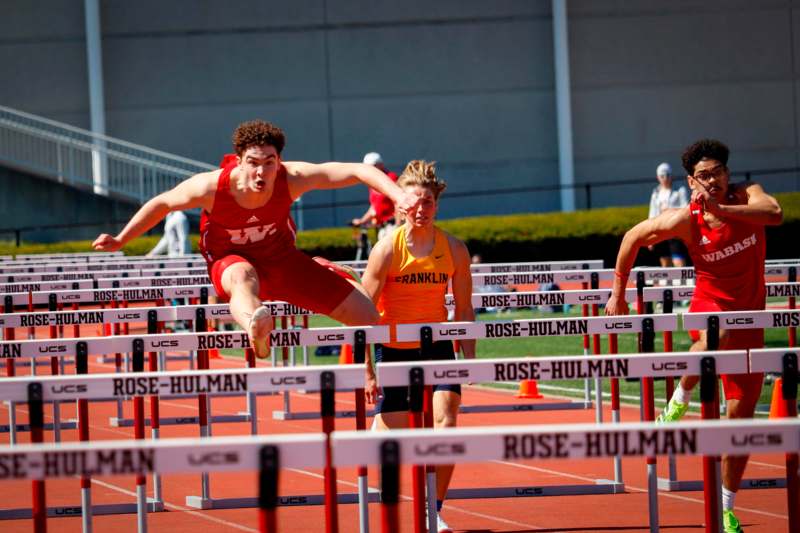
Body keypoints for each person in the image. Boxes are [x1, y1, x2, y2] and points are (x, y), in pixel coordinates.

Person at [93, 120, 419, 358]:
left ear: (279, 162)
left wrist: (398, 195)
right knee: (242, 276)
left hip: (282, 261)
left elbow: (356, 171)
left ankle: (324, 278)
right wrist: (122, 238)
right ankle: (255, 326)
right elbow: (162, 203)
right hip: (230, 261)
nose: (261, 173)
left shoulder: (291, 179)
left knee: (368, 317)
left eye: (269, 163)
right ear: (238, 161)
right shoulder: (211, 187)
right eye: (253, 163)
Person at [605, 139, 782, 533]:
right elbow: (634, 236)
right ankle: (679, 398)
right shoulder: (686, 218)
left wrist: (725, 209)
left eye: (717, 172)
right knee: (710, 339)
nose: (712, 181)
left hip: (750, 319)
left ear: (727, 173)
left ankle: (726, 507)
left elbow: (775, 213)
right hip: (709, 307)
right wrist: (618, 291)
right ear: (692, 181)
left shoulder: (747, 195)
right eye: (703, 176)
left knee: (740, 423)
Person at [361, 160, 475, 533]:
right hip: (394, 348)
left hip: (438, 346)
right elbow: (363, 314)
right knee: (394, 441)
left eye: (427, 202)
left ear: (436, 205)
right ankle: (379, 426)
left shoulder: (453, 249)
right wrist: (368, 372)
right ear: (399, 205)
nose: (420, 210)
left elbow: (464, 307)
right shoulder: (386, 250)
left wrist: (469, 357)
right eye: (413, 202)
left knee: (446, 423)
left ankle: (433, 510)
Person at [647, 162, 689, 267]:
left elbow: (687, 209)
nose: (665, 178)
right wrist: (650, 237)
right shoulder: (655, 192)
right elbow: (652, 215)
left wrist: (670, 210)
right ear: (658, 177)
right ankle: (667, 284)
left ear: (672, 176)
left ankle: (683, 283)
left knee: (678, 262)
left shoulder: (680, 190)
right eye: (662, 176)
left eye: (667, 175)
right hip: (661, 231)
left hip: (676, 231)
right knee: (665, 263)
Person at [351, 152, 400, 241]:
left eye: (372, 166)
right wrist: (362, 220)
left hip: (392, 226)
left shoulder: (391, 178)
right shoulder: (372, 181)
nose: (369, 170)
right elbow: (375, 206)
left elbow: (399, 202)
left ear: (381, 165)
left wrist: (398, 225)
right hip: (382, 227)